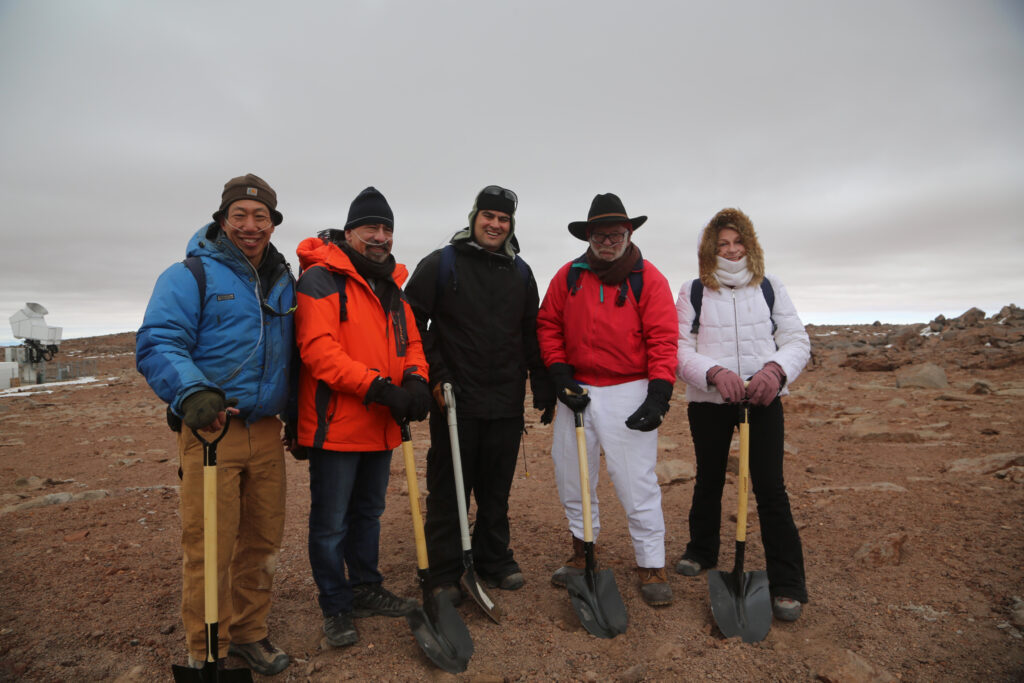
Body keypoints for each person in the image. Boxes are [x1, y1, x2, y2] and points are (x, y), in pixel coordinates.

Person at [136, 173, 294, 675]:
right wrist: (191, 392)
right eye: (240, 216)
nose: (250, 225)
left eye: (260, 216)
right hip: (212, 430)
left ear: (273, 223)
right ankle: (207, 649)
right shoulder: (189, 274)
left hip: (266, 429)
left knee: (262, 541)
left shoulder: (283, 279)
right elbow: (159, 340)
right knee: (210, 544)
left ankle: (250, 634)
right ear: (223, 220)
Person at [293, 186, 432, 648]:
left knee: (369, 513)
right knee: (331, 522)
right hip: (335, 428)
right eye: (370, 227)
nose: (380, 236)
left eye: (387, 228)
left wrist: (415, 381)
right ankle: (336, 606)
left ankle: (367, 587)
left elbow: (411, 343)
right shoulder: (320, 281)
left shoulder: (392, 288)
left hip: (380, 426)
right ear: (349, 232)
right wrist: (378, 387)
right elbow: (319, 352)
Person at [404, 185, 555, 600]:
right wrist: (436, 374)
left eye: (503, 219)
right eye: (488, 216)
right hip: (454, 397)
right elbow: (412, 321)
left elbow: (530, 332)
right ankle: (444, 569)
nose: (495, 224)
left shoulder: (521, 272)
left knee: (495, 488)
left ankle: (493, 558)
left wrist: (541, 385)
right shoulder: (442, 263)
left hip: (505, 399)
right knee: (450, 485)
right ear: (474, 217)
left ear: (511, 226)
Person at [536, 193, 678, 606]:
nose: (608, 241)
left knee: (636, 483)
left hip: (628, 389)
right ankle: (584, 554)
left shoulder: (648, 278)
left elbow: (664, 339)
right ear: (589, 236)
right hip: (577, 390)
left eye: (615, 233)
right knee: (572, 477)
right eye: (600, 234)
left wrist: (659, 392)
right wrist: (559, 373)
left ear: (629, 233)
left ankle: (651, 564)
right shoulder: (569, 276)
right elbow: (548, 326)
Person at [673, 207, 810, 622]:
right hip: (711, 402)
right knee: (709, 478)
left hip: (763, 400)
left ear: (750, 245)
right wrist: (712, 372)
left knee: (770, 488)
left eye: (737, 243)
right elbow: (678, 348)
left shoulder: (770, 287)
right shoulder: (694, 290)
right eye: (722, 245)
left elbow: (795, 339)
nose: (731, 251)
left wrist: (775, 370)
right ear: (709, 250)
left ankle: (787, 583)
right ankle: (701, 550)